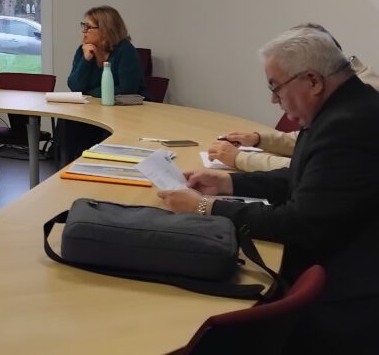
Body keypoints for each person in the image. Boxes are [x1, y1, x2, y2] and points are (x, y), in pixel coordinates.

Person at [159, 28, 379, 352]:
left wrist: (205, 207)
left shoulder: (347, 125)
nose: (274, 100)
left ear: (313, 81)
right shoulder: (342, 107)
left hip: (345, 303)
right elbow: (301, 178)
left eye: (276, 87)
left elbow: (299, 222)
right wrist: (228, 183)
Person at [207, 24, 379, 171]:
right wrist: (259, 139)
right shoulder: (344, 91)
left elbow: (311, 168)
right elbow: (312, 140)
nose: (274, 99)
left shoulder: (359, 101)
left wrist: (240, 159)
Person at [58, 5, 149, 165]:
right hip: (96, 109)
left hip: (126, 111)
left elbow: (127, 90)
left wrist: (91, 91)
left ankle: (101, 167)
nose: (83, 31)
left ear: (105, 29)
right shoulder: (83, 50)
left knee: (104, 131)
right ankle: (69, 166)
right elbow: (75, 86)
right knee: (68, 121)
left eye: (88, 27)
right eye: (83, 26)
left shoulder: (125, 50)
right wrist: (86, 60)